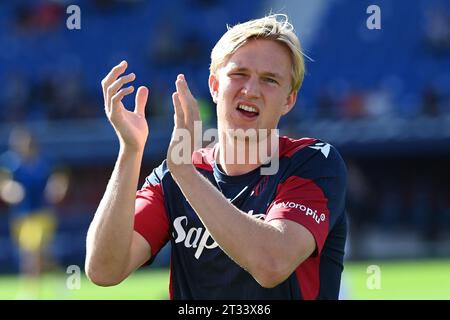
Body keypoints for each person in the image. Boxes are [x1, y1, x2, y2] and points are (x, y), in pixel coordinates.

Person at [85, 14, 347, 300]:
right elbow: (104, 270)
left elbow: (272, 264)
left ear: (289, 100)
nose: (251, 90)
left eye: (269, 80)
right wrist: (130, 151)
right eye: (239, 74)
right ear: (214, 85)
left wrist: (187, 176)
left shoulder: (313, 162)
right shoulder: (174, 176)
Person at [0, 126, 61, 298]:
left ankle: (30, 292)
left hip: (42, 214)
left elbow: (58, 178)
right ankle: (62, 283)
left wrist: (56, 187)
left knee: (31, 255)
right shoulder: (10, 163)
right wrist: (10, 190)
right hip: (21, 216)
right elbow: (4, 184)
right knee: (43, 257)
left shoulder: (44, 161)